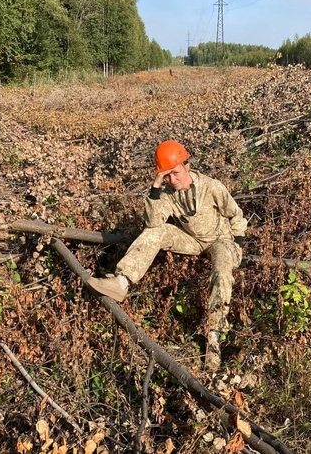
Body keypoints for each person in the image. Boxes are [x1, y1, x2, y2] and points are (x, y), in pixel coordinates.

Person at [89, 140, 247, 371]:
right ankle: (121, 282)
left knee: (222, 265)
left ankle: (213, 339)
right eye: (167, 176)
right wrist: (156, 185)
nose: (173, 180)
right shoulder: (167, 194)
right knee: (157, 231)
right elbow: (153, 222)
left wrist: (237, 244)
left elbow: (236, 215)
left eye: (175, 173)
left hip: (220, 241)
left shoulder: (212, 187)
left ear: (186, 166)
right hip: (192, 241)